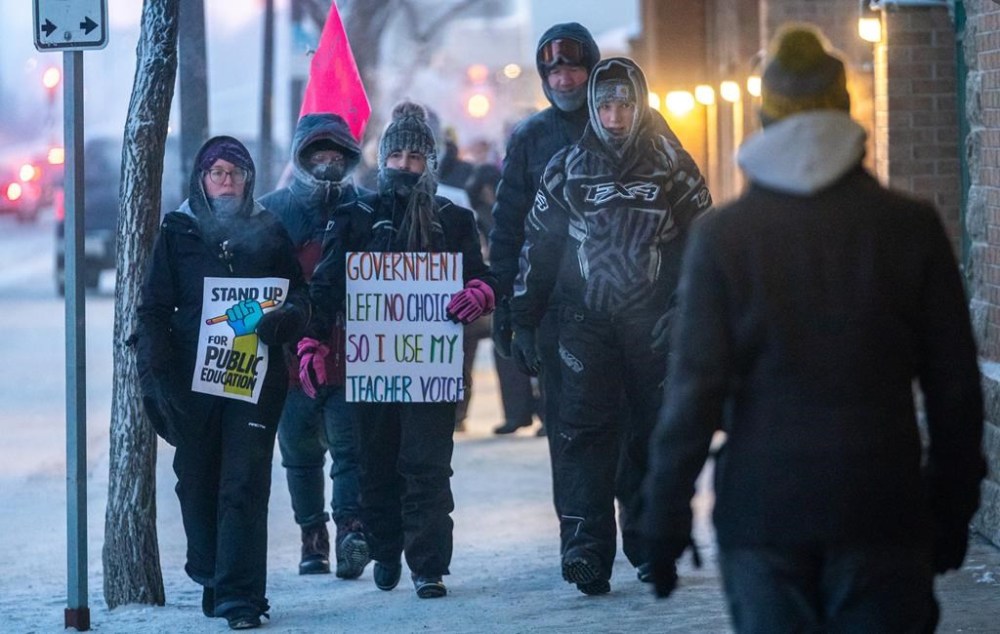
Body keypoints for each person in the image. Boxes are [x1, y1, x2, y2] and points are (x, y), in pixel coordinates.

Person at [641, 25, 986, 632]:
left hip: (764, 513)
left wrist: (664, 518)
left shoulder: (726, 238)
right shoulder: (908, 227)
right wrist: (952, 508)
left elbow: (694, 391)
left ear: (763, 119)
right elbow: (954, 388)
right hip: (881, 504)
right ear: (847, 112)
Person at [510, 57, 712, 596]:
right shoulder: (566, 166)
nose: (616, 114)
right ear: (594, 109)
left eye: (625, 104)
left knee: (651, 434)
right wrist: (524, 320)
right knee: (583, 435)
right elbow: (539, 246)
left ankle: (649, 544)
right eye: (605, 105)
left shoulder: (671, 162)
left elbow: (707, 242)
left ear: (641, 104)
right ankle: (584, 549)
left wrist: (692, 309)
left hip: (655, 323)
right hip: (584, 325)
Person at [305, 101, 497, 599]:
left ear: (429, 162)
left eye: (416, 157)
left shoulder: (453, 218)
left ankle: (428, 564)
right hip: (371, 368)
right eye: (398, 156)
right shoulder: (355, 215)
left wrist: (478, 293)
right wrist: (310, 340)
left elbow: (480, 274)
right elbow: (326, 286)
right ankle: (387, 550)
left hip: (431, 369)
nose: (406, 165)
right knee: (376, 464)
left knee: (427, 466)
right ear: (382, 158)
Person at [136, 136, 308, 630]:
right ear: (202, 180)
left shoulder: (269, 229)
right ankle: (212, 574)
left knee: (244, 484)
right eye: (217, 173)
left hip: (255, 380)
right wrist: (158, 376)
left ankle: (241, 597)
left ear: (249, 179)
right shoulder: (179, 230)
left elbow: (299, 294)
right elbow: (152, 309)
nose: (227, 181)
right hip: (192, 382)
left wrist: (288, 319)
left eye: (235, 172)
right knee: (196, 483)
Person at [258, 113, 371, 579]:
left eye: (336, 154)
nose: (327, 162)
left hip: (353, 352)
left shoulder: (367, 207)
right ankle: (312, 535)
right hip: (288, 359)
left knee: (350, 446)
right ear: (300, 158)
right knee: (299, 451)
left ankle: (350, 529)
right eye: (317, 154)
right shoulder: (270, 213)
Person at [466, 162, 541, 434]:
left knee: (515, 351)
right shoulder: (514, 205)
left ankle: (521, 413)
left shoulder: (499, 211)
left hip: (513, 285)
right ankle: (527, 413)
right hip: (510, 286)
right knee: (515, 351)